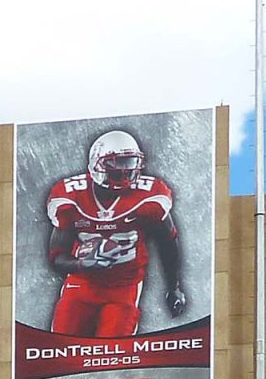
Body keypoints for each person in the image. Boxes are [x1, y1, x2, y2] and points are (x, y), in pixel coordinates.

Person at [44, 129, 187, 337]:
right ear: (97, 164)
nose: (125, 171)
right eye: (117, 163)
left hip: (124, 287)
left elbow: (168, 243)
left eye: (130, 163)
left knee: (113, 349)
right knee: (64, 344)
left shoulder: (150, 199)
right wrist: (82, 264)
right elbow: (56, 257)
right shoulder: (71, 199)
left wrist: (173, 287)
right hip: (82, 284)